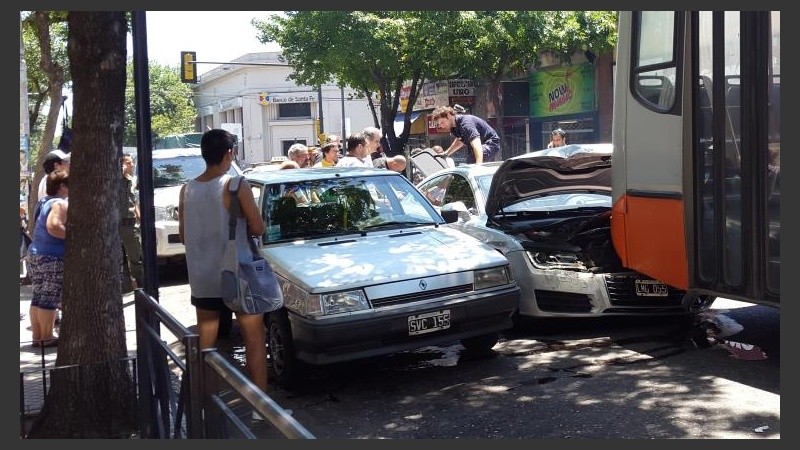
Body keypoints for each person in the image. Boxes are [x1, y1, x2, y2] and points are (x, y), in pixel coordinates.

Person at [178, 129, 269, 401]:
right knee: (254, 337)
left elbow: (183, 236)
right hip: (236, 274)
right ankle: (261, 407)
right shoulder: (236, 185)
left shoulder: (187, 189)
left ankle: (201, 402)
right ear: (230, 153)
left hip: (202, 276)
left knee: (206, 342)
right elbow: (258, 227)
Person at [28, 170, 69, 348]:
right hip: (52, 256)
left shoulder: (43, 201)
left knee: (38, 296)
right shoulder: (59, 203)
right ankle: (46, 337)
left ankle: (38, 337)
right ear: (62, 186)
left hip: (36, 253)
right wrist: (75, 237)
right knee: (49, 297)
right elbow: (54, 226)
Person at [431, 105, 500, 164]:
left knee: (473, 159)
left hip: (490, 144)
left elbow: (477, 144)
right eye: (439, 124)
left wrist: (479, 165)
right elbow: (459, 142)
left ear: (448, 115)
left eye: (442, 122)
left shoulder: (466, 124)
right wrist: (446, 154)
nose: (442, 126)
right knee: (469, 162)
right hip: (479, 146)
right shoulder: (454, 128)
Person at [120, 153, 143, 291]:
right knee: (122, 257)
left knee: (135, 256)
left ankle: (141, 284)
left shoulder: (131, 180)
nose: (132, 165)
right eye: (128, 163)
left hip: (130, 222)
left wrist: (138, 215)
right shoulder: (117, 179)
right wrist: (120, 169)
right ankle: (127, 286)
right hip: (120, 222)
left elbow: (133, 200)